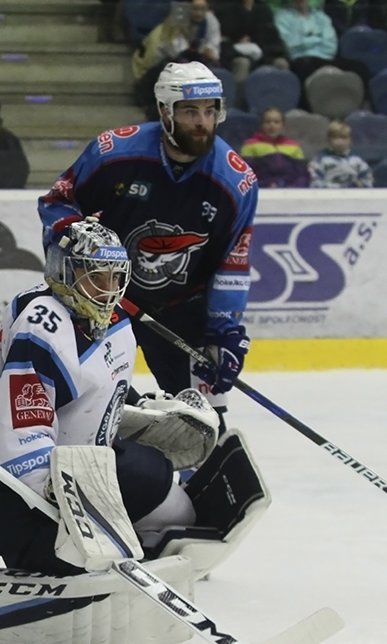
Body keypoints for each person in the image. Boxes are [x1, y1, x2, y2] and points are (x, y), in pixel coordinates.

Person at [0, 219, 269, 644]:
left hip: (81, 465)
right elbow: (22, 427)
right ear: (64, 274)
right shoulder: (43, 327)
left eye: (115, 277)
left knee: (163, 490)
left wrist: (143, 414)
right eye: (95, 277)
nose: (107, 289)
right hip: (6, 486)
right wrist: (72, 505)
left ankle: (146, 545)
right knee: (78, 567)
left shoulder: (111, 321)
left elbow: (93, 391)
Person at [38, 61, 258, 420]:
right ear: (165, 111)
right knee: (89, 408)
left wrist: (225, 332)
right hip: (106, 299)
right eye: (190, 112)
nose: (202, 122)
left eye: (210, 111)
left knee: (203, 422)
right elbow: (57, 202)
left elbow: (231, 262)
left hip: (182, 306)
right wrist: (74, 236)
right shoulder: (114, 152)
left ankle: (207, 455)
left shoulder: (236, 181)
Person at [132, 0, 222, 114]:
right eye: (195, 9)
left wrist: (208, 52)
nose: (199, 13)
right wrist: (200, 51)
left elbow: (213, 47)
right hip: (161, 59)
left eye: (202, 9)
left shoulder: (210, 21)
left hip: (193, 57)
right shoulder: (176, 20)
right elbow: (176, 49)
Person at [220, 0, 290, 83]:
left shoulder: (263, 9)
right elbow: (225, 35)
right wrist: (238, 41)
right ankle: (239, 91)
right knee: (243, 63)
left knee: (281, 63)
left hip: (264, 50)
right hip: (236, 53)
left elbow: (270, 34)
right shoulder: (227, 8)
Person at [241, 106, 310, 187]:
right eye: (267, 122)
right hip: (262, 189)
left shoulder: (294, 146)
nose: (272, 125)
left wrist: (295, 186)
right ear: (261, 124)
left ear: (283, 125)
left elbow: (303, 175)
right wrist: (266, 184)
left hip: (290, 190)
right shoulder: (250, 145)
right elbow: (245, 175)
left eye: (276, 122)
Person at [308, 119, 373, 186]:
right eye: (335, 138)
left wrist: (359, 185)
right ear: (328, 139)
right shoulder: (320, 159)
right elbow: (315, 182)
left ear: (350, 139)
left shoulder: (357, 159)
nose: (340, 142)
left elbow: (367, 179)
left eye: (344, 138)